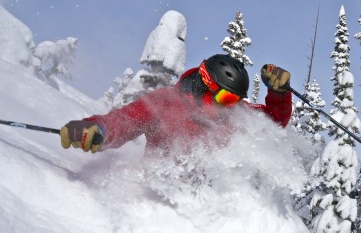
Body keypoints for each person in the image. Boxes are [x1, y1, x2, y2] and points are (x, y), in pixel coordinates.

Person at [60, 54, 292, 155]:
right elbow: (123, 121)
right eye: (226, 98)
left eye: (235, 100)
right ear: (206, 85)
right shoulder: (165, 103)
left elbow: (272, 124)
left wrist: (279, 93)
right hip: (165, 209)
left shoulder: (232, 113)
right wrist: (97, 129)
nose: (230, 106)